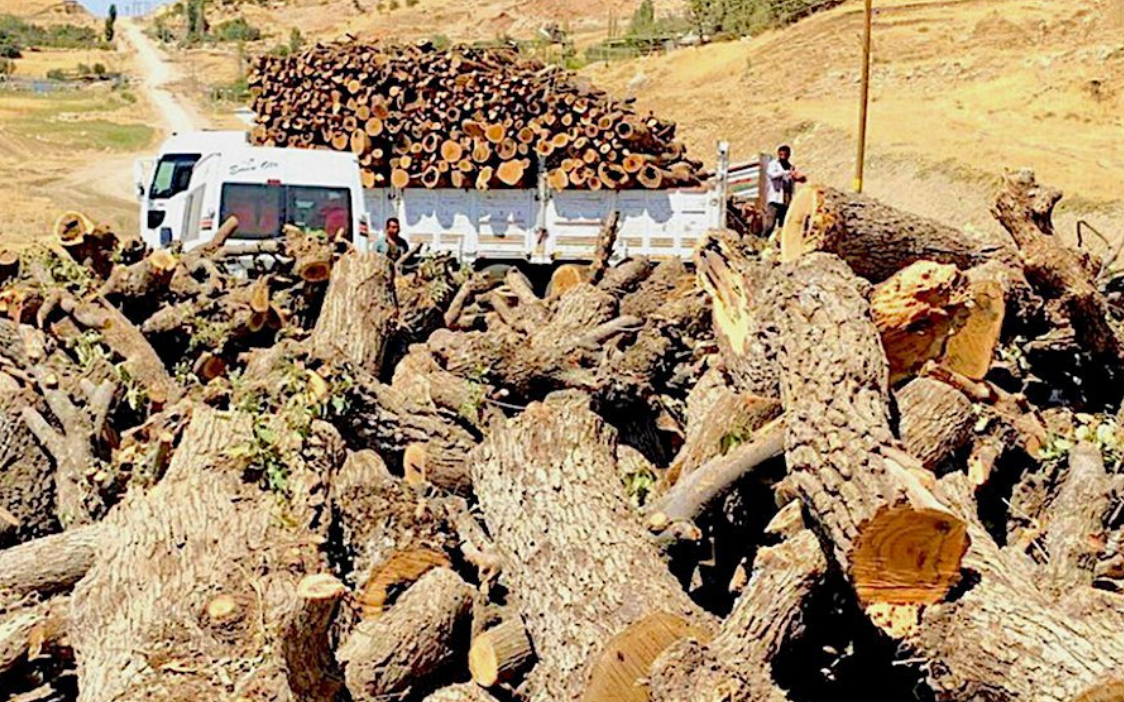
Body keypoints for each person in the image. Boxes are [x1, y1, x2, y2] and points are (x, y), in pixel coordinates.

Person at [763, 144, 806, 239]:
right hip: (775, 199)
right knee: (770, 224)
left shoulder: (791, 167)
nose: (783, 157)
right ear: (778, 154)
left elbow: (797, 179)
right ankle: (762, 240)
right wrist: (786, 173)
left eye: (785, 155)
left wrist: (799, 177)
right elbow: (772, 175)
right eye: (781, 154)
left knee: (784, 226)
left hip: (786, 200)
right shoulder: (773, 165)